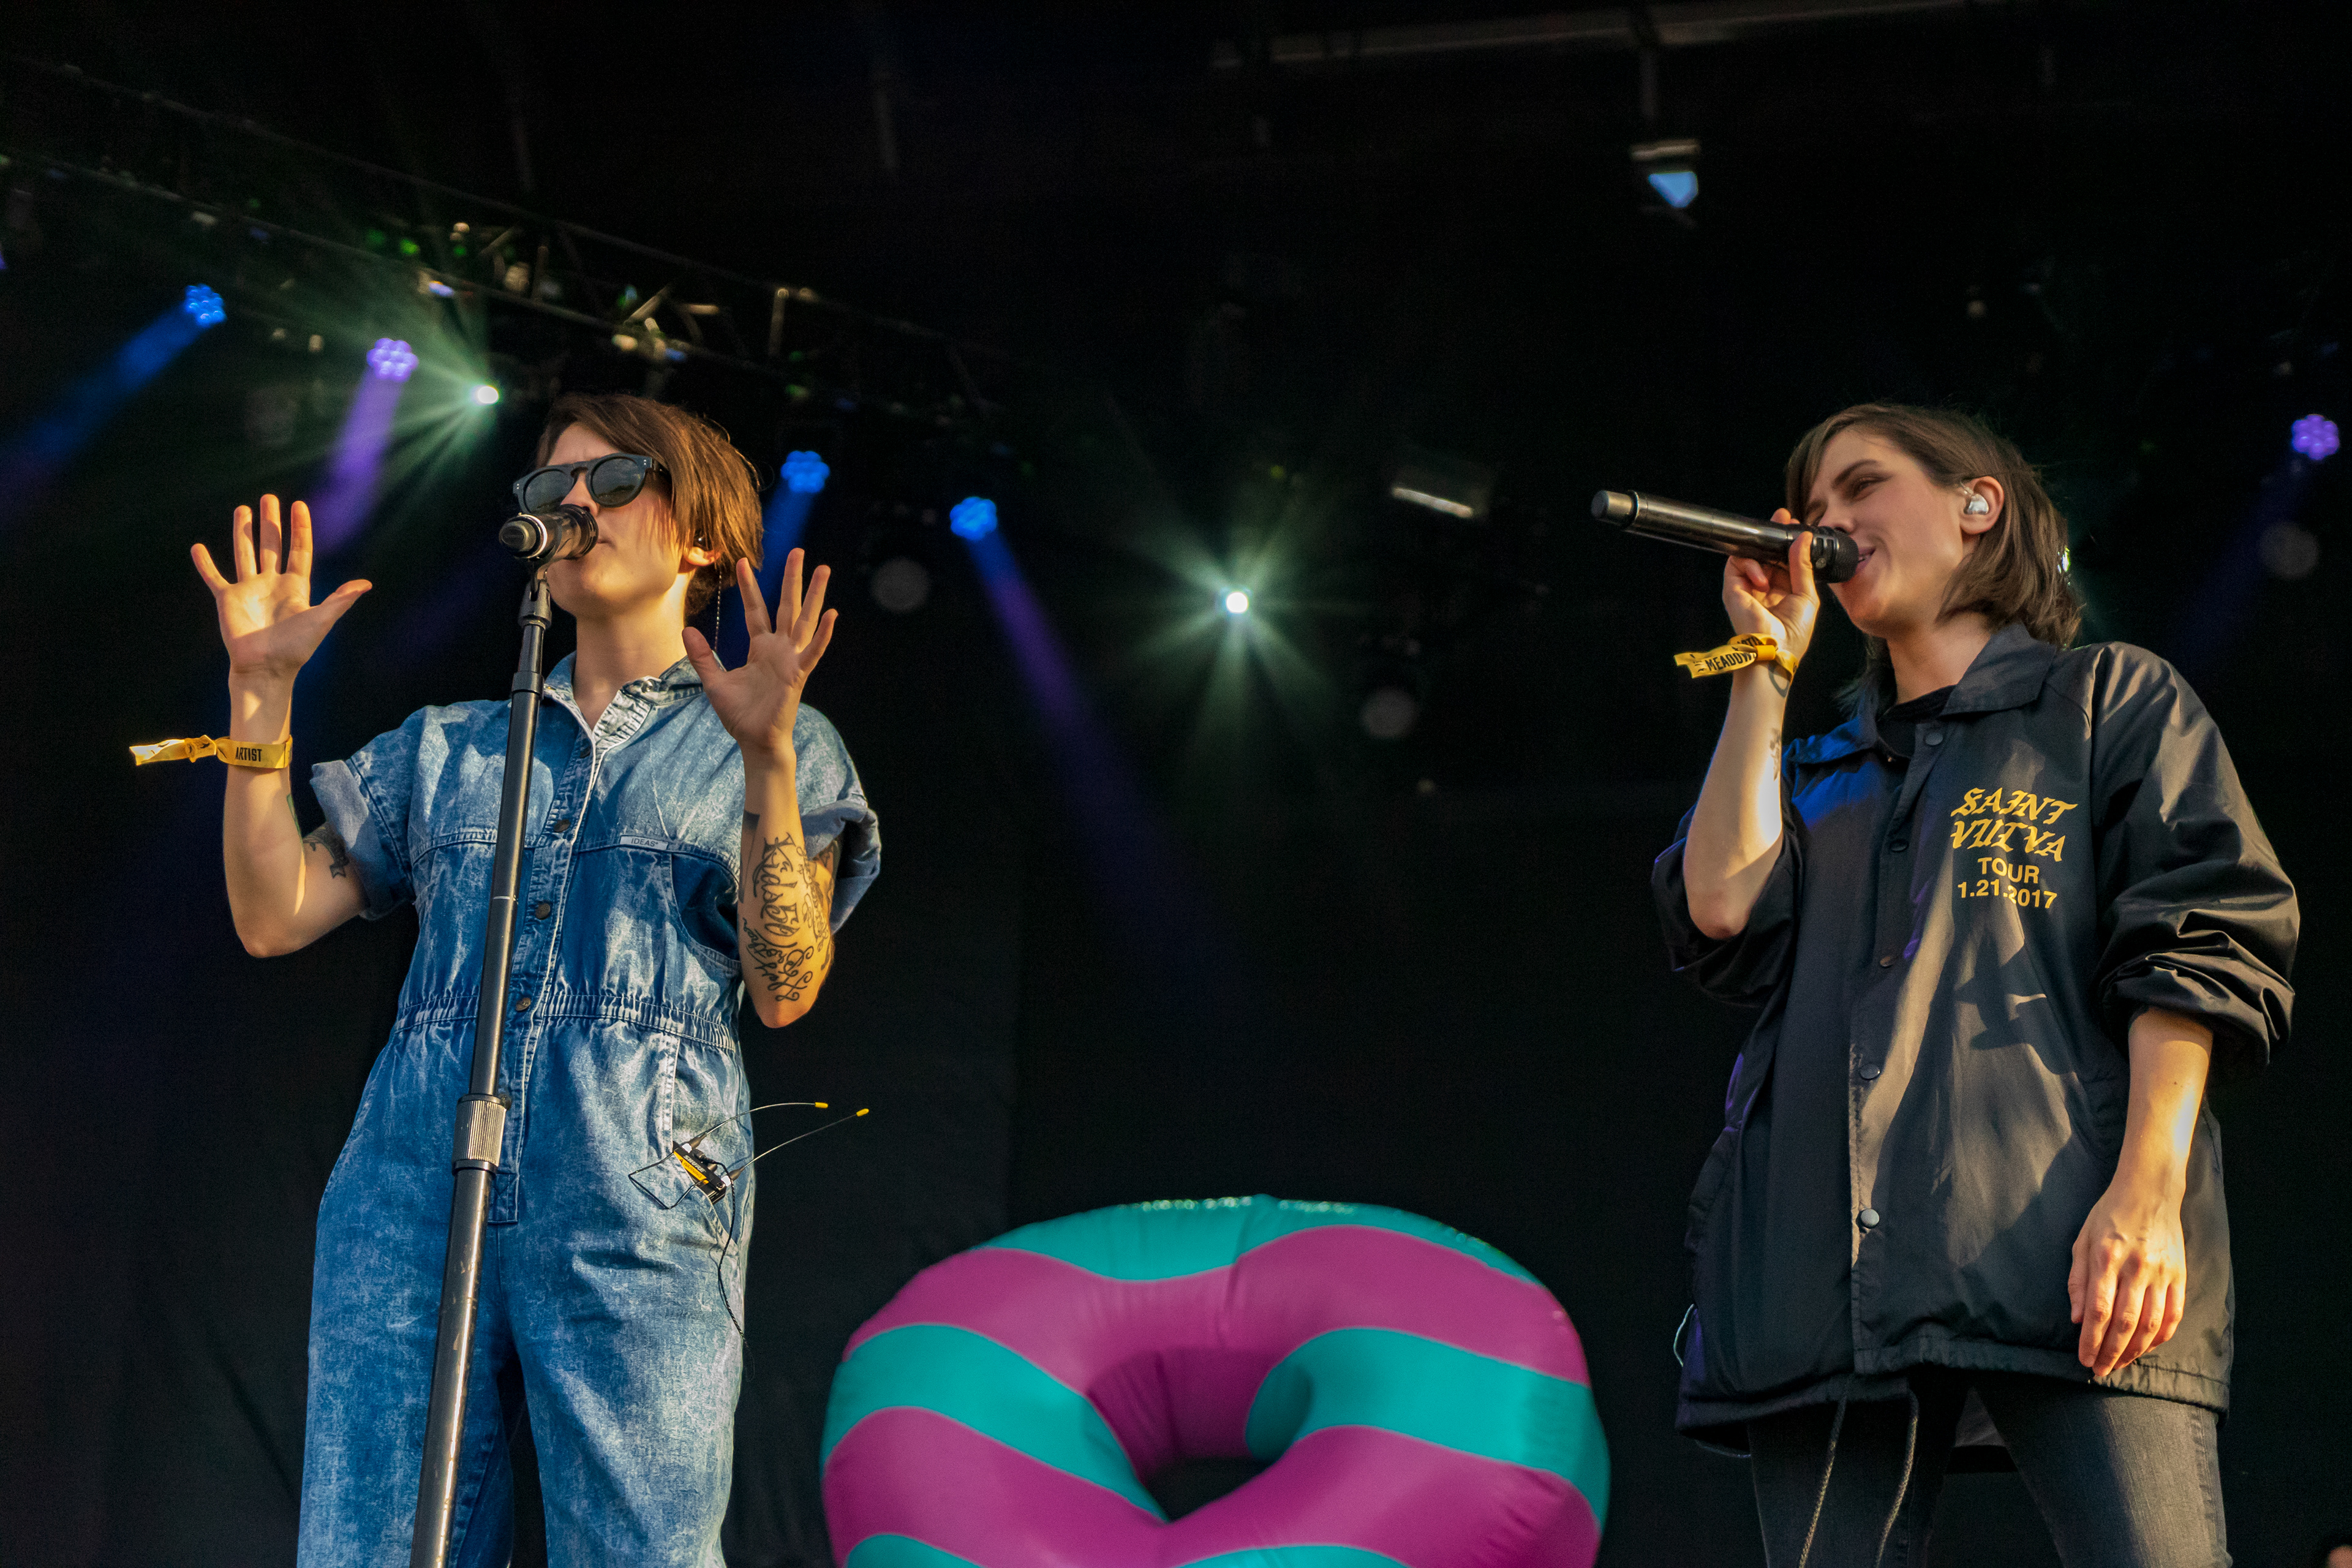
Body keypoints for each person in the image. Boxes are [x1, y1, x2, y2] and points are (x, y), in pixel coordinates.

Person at [188, 393, 879, 1566]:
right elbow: (272, 916)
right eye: (552, 486)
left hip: (640, 1183)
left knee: (639, 1550)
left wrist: (765, 755)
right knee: (372, 1546)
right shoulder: (452, 743)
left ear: (703, 535)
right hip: (413, 1182)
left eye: (616, 482)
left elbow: (787, 984)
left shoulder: (776, 740)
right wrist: (261, 697)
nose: (575, 505)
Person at [1653, 404, 2296, 1567]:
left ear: (1977, 505)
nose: (1828, 524)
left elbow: (2198, 943)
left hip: (2070, 1249)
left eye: (1862, 487)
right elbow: (1722, 909)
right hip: (1826, 1285)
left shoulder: (2108, 700)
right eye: (1814, 508)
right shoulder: (1815, 773)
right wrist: (1765, 666)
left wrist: (2147, 1195)